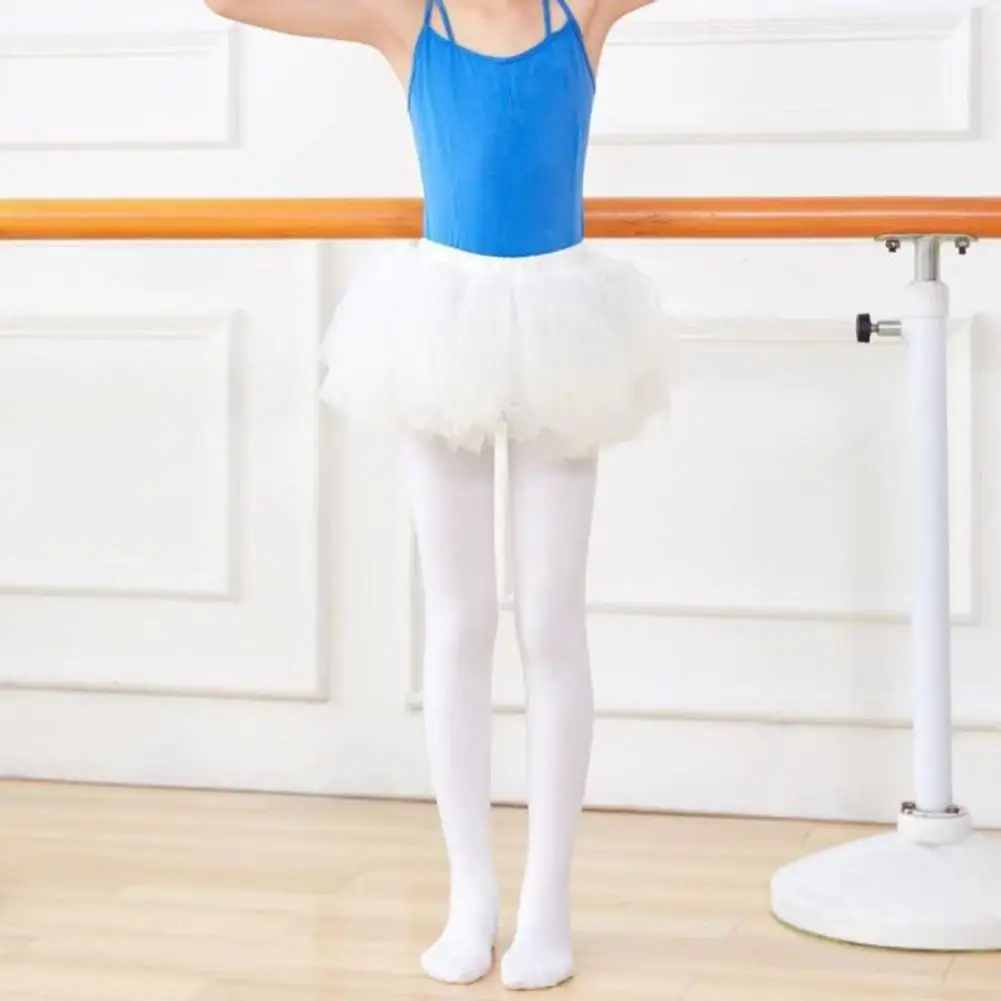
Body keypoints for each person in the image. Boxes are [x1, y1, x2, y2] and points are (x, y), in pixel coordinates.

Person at [207, 0, 669, 990]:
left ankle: (546, 900)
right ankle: (472, 894)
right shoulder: (403, 19)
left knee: (551, 618)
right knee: (458, 620)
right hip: (440, 327)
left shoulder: (581, 12)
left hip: (563, 327)